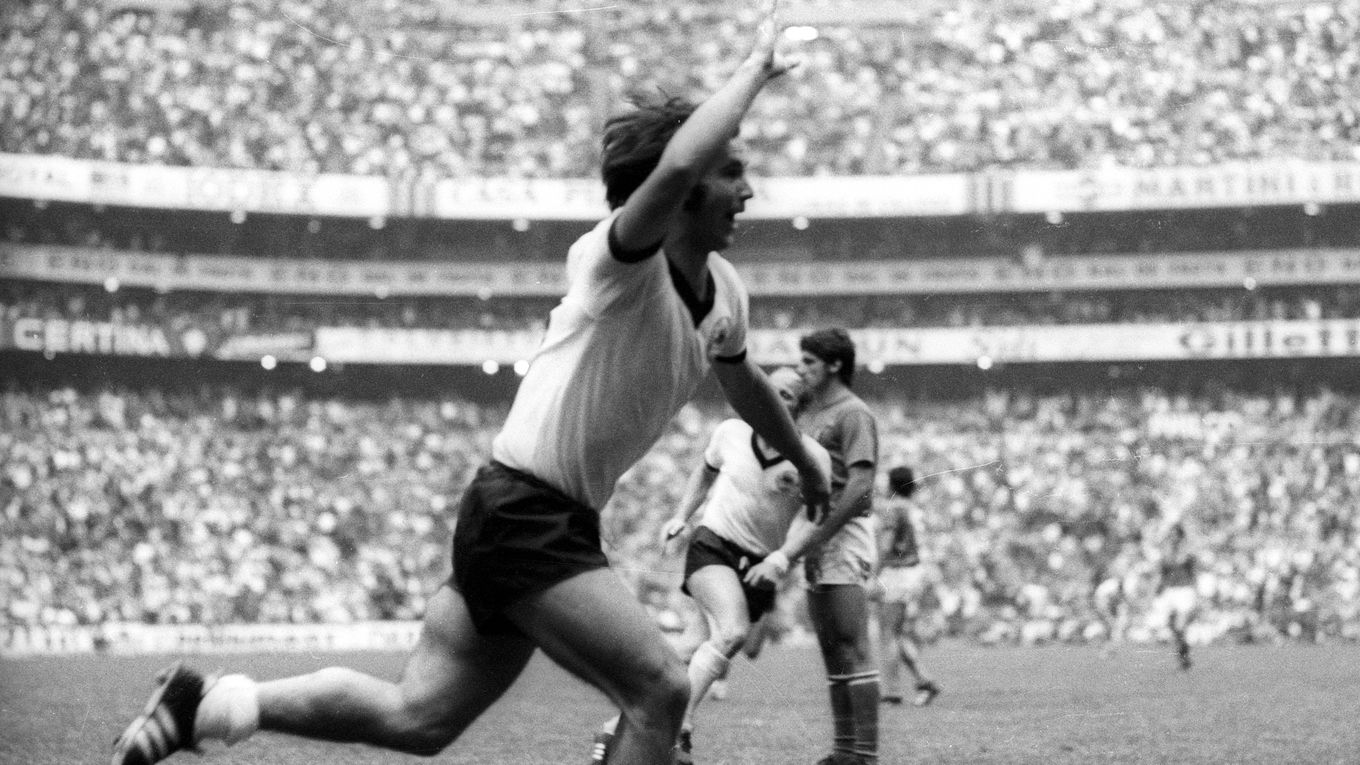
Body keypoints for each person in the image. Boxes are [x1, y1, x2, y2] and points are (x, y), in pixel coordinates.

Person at [110, 4, 827, 763]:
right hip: (527, 514)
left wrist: (803, 459)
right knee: (660, 690)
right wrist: (754, 71)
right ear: (680, 191)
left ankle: (205, 706)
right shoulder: (621, 264)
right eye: (732, 173)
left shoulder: (725, 291)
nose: (749, 192)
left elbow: (743, 380)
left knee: (420, 717)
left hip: (529, 513)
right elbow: (678, 165)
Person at [630, 366, 830, 764]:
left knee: (695, 646)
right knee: (733, 631)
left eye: (786, 395)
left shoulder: (813, 457)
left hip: (759, 563)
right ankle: (680, 726)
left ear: (801, 407)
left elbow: (817, 516)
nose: (774, 400)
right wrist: (681, 516)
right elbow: (704, 474)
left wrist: (788, 557)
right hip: (714, 544)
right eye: (770, 390)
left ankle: (627, 712)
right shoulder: (731, 433)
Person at [746, 327, 880, 765]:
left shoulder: (853, 413)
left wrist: (821, 532)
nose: (801, 369)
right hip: (814, 533)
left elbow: (860, 485)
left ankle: (866, 754)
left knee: (853, 643)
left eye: (809, 362)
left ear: (835, 365)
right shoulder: (811, 414)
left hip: (842, 532)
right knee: (832, 648)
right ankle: (844, 750)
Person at [873, 466, 941, 707]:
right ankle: (925, 681)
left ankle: (892, 692)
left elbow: (886, 546)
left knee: (888, 633)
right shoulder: (912, 508)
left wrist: (874, 574)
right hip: (912, 573)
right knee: (895, 632)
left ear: (892, 485)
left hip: (897, 573)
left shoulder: (894, 509)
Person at [1151, 523, 1199, 670]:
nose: (1172, 537)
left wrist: (1197, 592)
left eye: (1175, 534)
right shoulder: (1165, 551)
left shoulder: (1187, 551)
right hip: (1169, 591)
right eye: (1171, 534)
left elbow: (1193, 571)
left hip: (1184, 590)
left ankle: (1184, 653)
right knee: (1171, 626)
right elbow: (1161, 573)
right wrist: (1155, 590)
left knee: (1180, 626)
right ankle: (1183, 655)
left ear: (1180, 535)